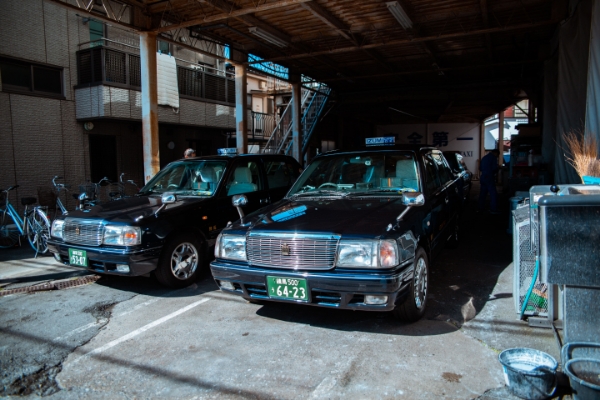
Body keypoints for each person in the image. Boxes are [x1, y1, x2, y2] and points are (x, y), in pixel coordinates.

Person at [478, 149, 499, 214]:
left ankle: (480, 208)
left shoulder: (484, 157)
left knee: (483, 194)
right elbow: (494, 168)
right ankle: (493, 209)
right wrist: (498, 168)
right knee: (493, 194)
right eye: (498, 155)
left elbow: (480, 168)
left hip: (483, 177)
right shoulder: (493, 158)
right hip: (489, 177)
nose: (497, 156)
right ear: (495, 153)